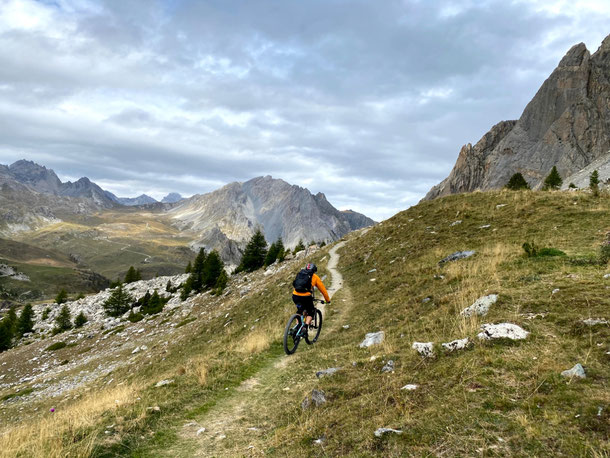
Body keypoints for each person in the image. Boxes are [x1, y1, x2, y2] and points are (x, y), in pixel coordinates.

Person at [292, 262, 330, 335]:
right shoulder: (315, 277)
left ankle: (297, 326)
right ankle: (305, 327)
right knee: (311, 311)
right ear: (314, 271)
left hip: (295, 296)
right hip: (306, 297)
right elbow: (323, 290)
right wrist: (327, 300)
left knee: (300, 311)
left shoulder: (300, 273)